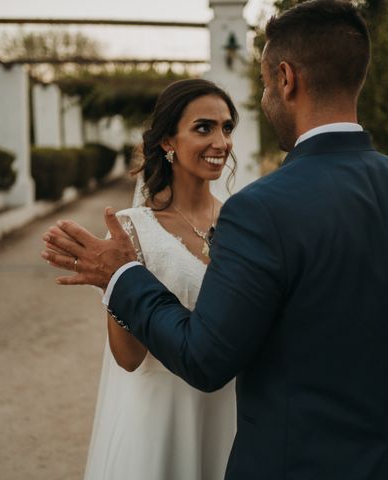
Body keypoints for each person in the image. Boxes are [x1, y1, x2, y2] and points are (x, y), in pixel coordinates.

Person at [42, 1, 388, 479]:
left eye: (263, 86)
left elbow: (205, 360)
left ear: (286, 79)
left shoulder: (259, 209)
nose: (263, 102)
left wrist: (122, 276)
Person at [70, 79, 238, 480]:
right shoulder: (131, 229)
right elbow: (127, 359)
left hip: (229, 405)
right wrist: (117, 277)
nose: (221, 142)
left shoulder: (242, 218)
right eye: (204, 128)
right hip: (160, 413)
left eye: (227, 127)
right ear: (167, 142)